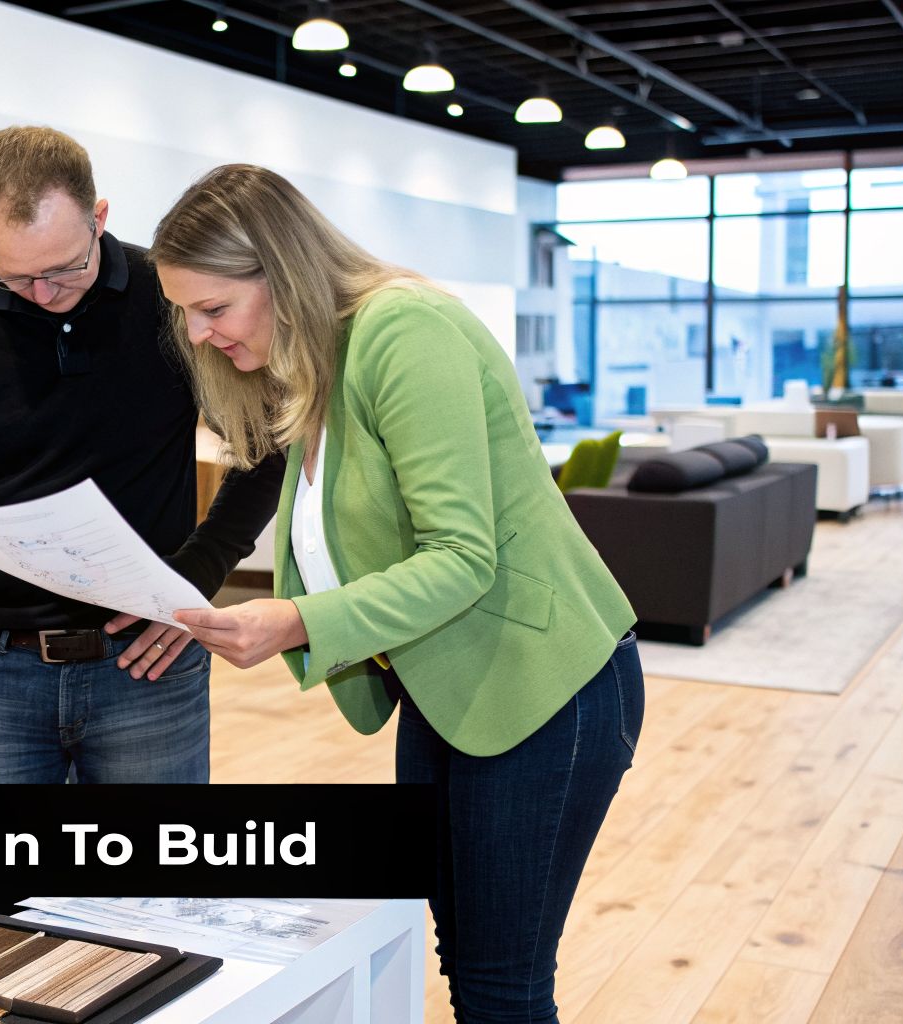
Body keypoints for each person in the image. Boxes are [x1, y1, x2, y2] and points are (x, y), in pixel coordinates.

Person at [155, 164, 641, 1022]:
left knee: (502, 983)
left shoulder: (403, 331)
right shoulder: (313, 372)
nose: (197, 335)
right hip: (448, 683)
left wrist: (297, 619)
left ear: (283, 272)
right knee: (467, 958)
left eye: (214, 309)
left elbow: (462, 556)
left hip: (544, 682)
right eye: (184, 312)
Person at [0, 129, 282, 786]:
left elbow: (265, 445)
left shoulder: (174, 301)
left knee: (155, 886)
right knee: (6, 888)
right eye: (15, 276)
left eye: (65, 267)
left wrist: (197, 573)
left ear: (98, 218)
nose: (45, 294)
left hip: (149, 664)